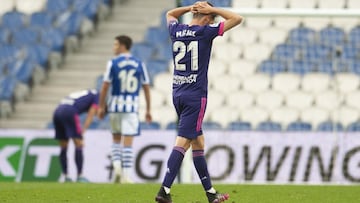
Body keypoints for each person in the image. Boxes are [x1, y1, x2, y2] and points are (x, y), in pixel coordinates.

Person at [155, 1, 243, 203]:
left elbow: (170, 14)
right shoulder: (205, 32)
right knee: (183, 142)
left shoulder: (177, 30)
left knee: (198, 142)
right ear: (206, 18)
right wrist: (211, 9)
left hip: (177, 93)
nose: (211, 21)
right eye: (211, 18)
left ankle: (211, 193)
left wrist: (188, 8)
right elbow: (237, 19)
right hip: (195, 96)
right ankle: (164, 191)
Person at [97, 35, 152, 183]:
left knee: (116, 139)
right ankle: (126, 176)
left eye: (115, 45)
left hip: (115, 107)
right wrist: (148, 109)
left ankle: (117, 168)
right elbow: (146, 87)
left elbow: (105, 86)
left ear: (122, 46)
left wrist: (101, 106)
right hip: (131, 108)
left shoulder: (113, 63)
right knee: (128, 143)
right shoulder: (139, 63)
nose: (114, 48)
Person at [53, 89, 99, 183]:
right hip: (70, 112)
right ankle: (80, 176)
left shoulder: (86, 93)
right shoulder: (97, 96)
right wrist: (83, 131)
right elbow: (91, 113)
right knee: (79, 144)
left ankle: (65, 176)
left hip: (57, 111)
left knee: (63, 146)